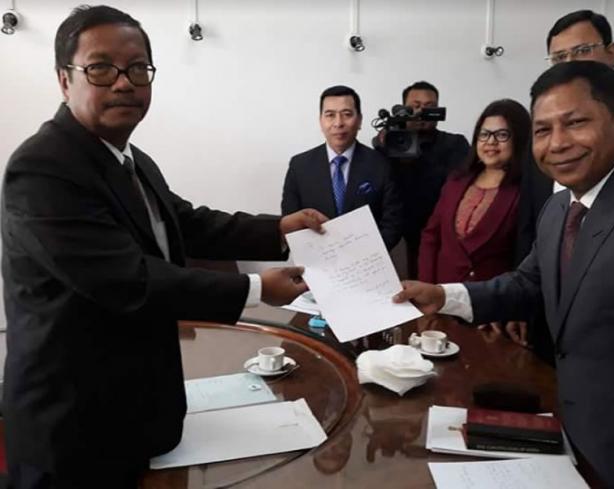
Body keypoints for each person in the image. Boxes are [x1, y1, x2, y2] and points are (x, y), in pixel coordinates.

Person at [1, 6, 327, 489]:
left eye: (138, 68)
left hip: (136, 409)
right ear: (64, 80)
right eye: (101, 68)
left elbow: (187, 223)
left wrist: (278, 228)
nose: (124, 83)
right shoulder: (42, 168)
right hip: (74, 426)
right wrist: (257, 289)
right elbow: (129, 280)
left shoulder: (132, 159)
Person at [394, 61, 614, 489]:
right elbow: (529, 283)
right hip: (577, 438)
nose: (558, 143)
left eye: (576, 123)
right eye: (543, 130)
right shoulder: (560, 208)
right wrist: (442, 295)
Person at [515, 9, 614, 361]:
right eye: (559, 57)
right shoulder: (557, 203)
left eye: (582, 51)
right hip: (551, 330)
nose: (558, 144)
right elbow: (531, 247)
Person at [418, 99, 530, 284]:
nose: (491, 142)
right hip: (442, 293)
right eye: (484, 134)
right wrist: (426, 287)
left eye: (502, 135)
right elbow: (431, 236)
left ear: (519, 139)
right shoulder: (456, 181)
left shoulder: (526, 190)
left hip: (490, 297)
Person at [281, 85, 402, 250]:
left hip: (369, 258)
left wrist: (366, 253)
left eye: (347, 114)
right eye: (330, 115)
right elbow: (291, 221)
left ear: (359, 120)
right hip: (317, 259)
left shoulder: (382, 165)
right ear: (321, 121)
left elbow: (392, 223)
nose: (338, 123)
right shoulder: (299, 166)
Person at [374, 81, 469, 278]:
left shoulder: (455, 144)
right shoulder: (390, 142)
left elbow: (461, 185)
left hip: (444, 233)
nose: (420, 112)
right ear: (403, 109)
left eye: (429, 107)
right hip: (399, 233)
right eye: (415, 106)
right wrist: (385, 141)